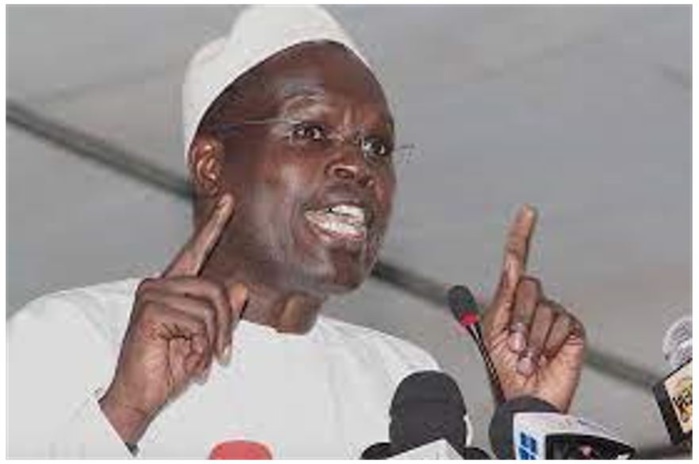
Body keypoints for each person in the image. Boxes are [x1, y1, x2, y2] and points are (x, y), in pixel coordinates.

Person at [8, 6, 586, 458]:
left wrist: (534, 424)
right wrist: (125, 411)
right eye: (311, 132)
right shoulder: (71, 338)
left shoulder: (405, 381)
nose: (358, 165)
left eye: (377, 146)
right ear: (210, 165)